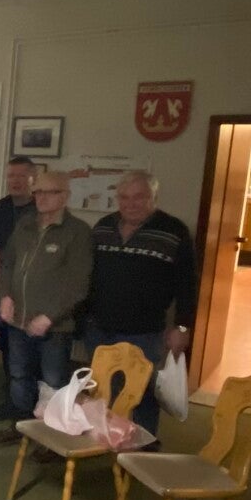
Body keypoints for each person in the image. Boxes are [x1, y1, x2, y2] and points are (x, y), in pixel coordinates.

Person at [84, 170, 198, 442]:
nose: (130, 203)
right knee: (100, 388)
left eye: (139, 197)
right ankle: (106, 439)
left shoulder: (174, 231)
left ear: (154, 197)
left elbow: (188, 285)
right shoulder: (103, 226)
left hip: (144, 331)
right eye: (124, 197)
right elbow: (88, 276)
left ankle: (144, 444)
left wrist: (182, 327)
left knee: (142, 392)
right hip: (99, 326)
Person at [0, 172, 93, 444]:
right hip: (18, 320)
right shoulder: (25, 224)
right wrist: (5, 296)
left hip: (55, 326)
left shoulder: (77, 232)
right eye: (38, 192)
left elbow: (78, 283)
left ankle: (52, 437)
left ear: (65, 196)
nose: (41, 197)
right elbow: (7, 264)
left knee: (53, 382)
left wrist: (50, 316)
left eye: (50, 192)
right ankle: (21, 426)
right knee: (19, 376)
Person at [0, 157, 38, 249]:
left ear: (33, 179)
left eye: (22, 176)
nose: (15, 181)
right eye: (11, 176)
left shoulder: (41, 208)